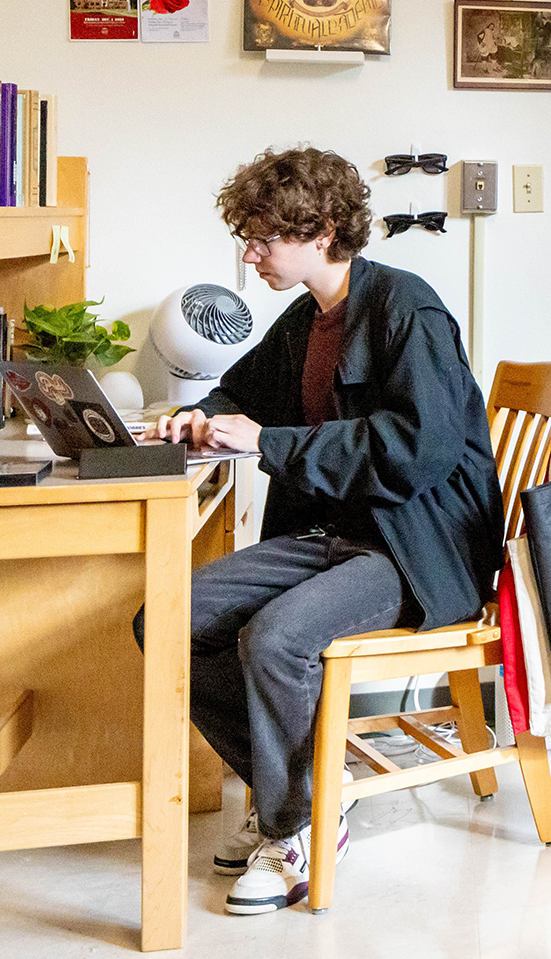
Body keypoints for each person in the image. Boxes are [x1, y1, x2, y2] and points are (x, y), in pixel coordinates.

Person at [134, 146, 503, 914]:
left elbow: (420, 452)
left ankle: (292, 825)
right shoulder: (307, 321)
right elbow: (245, 393)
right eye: (250, 235)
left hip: (413, 546)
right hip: (338, 537)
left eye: (265, 235)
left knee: (274, 638)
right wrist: (192, 423)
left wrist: (264, 442)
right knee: (164, 620)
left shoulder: (407, 309)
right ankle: (308, 800)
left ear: (324, 229)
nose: (251, 252)